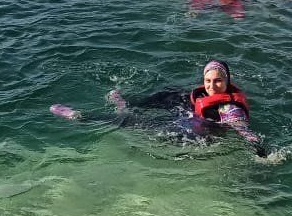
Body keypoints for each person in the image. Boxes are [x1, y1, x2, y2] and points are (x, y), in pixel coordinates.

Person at [50, 60, 270, 157]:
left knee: (131, 122)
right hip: (191, 118)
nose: (212, 86)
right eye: (208, 80)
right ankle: (128, 102)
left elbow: (244, 131)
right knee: (168, 94)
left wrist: (259, 150)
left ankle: (80, 116)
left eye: (218, 81)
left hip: (192, 136)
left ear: (227, 81)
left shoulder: (230, 108)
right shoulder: (205, 92)